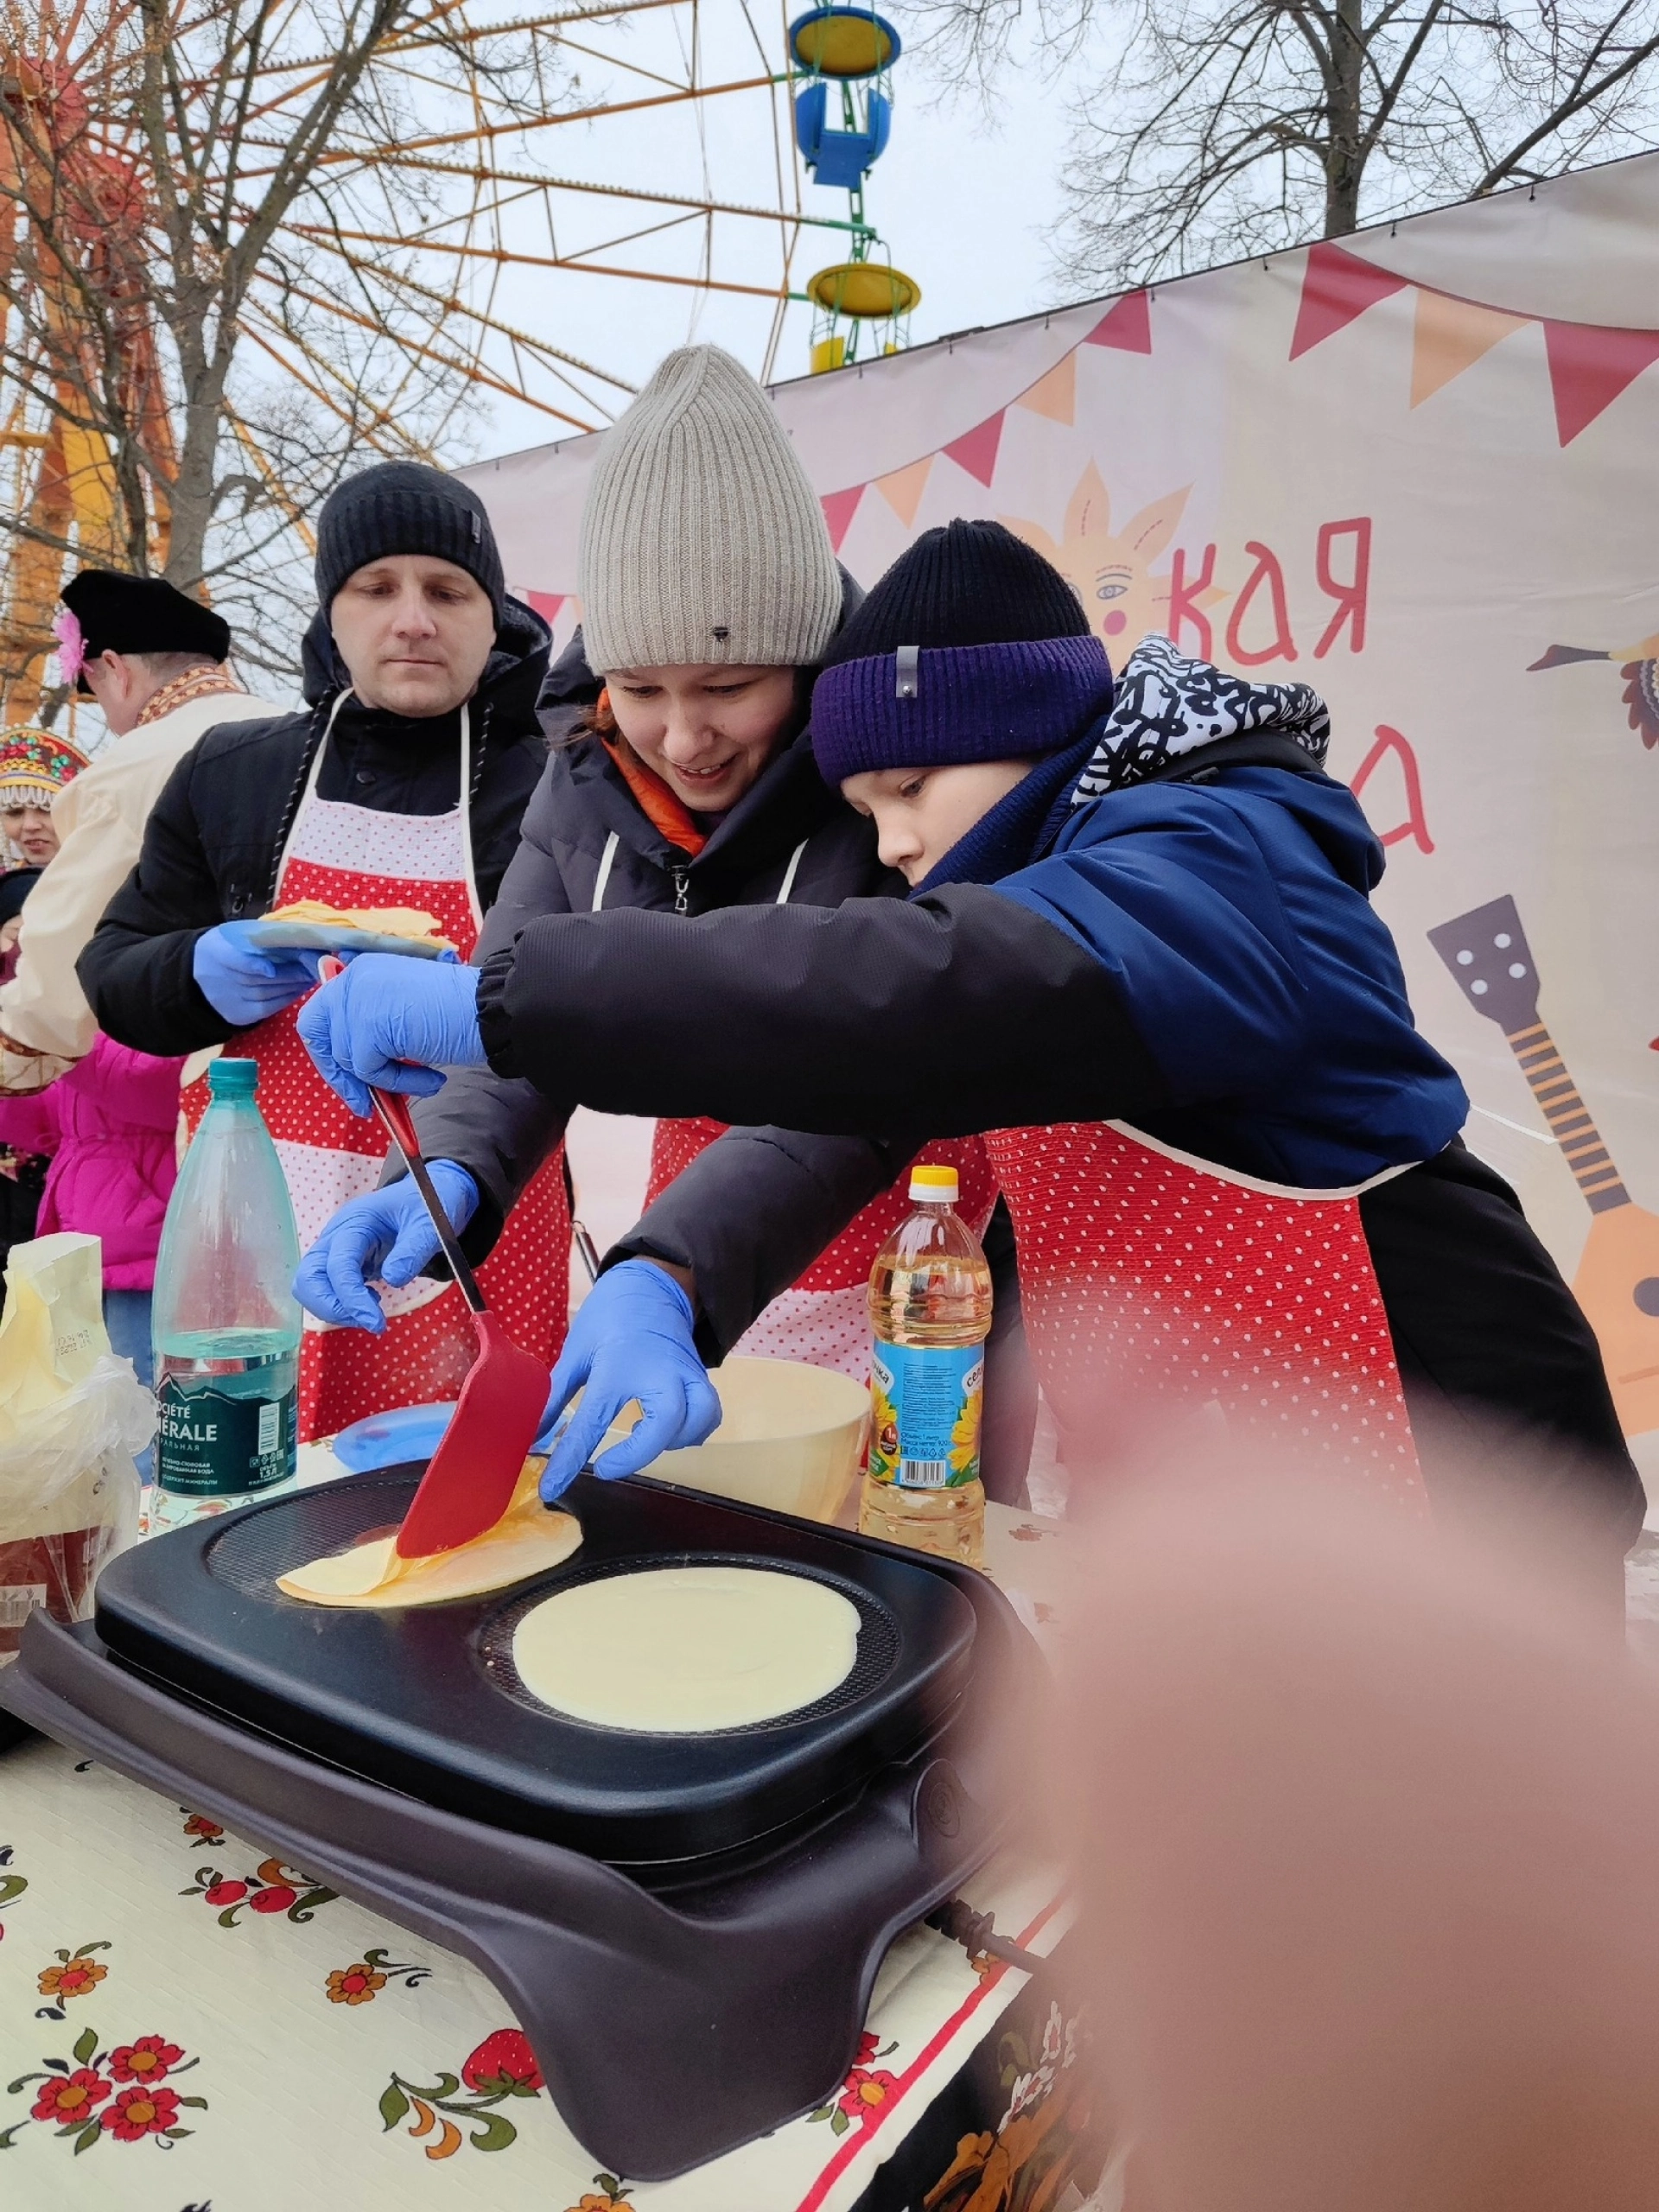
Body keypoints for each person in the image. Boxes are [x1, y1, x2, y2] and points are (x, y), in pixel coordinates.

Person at [295, 518, 1645, 1581]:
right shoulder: (1066, 865)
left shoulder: (1216, 848)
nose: (889, 847)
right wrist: (669, 1277)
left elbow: (940, 994)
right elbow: (873, 1096)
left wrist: (506, 999)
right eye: (865, 806)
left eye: (908, 794)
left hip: (1446, 1445)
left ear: (1023, 738)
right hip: (1241, 1467)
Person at [293, 350, 1014, 1458]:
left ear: (812, 663)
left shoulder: (887, 784)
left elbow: (868, 1063)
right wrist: (445, 1168)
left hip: (905, 1218)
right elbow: (515, 1026)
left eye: (729, 688)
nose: (683, 739)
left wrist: (669, 1272)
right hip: (697, 1207)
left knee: (899, 1506)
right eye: (641, 690)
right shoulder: (580, 784)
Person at [78, 462, 567, 1442]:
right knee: (254, 1514)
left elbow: (600, 1010)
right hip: (255, 1219)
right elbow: (113, 971)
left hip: (468, 1208)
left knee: (469, 1515)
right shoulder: (235, 771)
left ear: (493, 612)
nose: (413, 619)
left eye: (447, 590)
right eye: (376, 588)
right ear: (332, 613)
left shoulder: (552, 781)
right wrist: (196, 971)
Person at [0, 570, 284, 1098]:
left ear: (113, 668)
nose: (109, 720)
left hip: (236, 1069)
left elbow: (62, 965)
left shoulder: (131, 769)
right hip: (364, 1048)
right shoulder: (304, 728)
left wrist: (15, 1047)